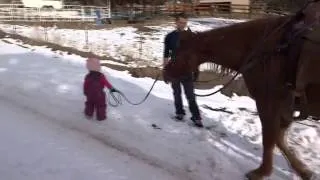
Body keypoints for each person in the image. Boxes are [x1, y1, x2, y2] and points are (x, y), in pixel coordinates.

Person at [163, 13, 203, 127]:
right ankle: (179, 113)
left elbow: (195, 55)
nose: (183, 25)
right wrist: (165, 70)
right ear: (176, 22)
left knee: (190, 95)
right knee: (176, 93)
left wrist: (196, 70)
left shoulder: (191, 36)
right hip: (174, 70)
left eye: (185, 23)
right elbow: (166, 55)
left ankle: (196, 117)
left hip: (187, 71)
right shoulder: (170, 37)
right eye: (180, 22)